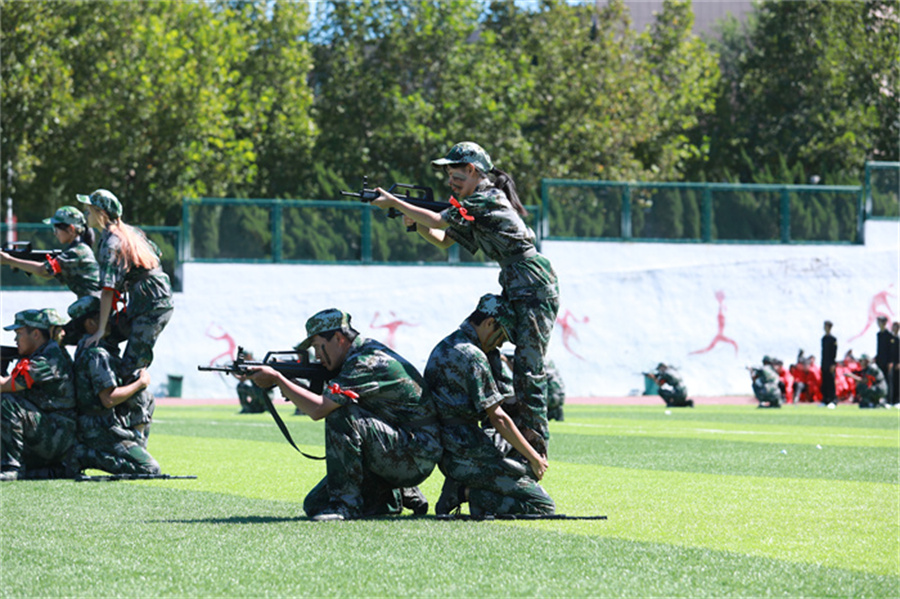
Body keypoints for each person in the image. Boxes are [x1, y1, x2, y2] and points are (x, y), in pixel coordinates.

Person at [373, 142, 559, 457]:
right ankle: (505, 418)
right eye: (448, 176)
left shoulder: (486, 199)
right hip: (517, 280)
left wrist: (396, 202)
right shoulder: (473, 205)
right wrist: (415, 222)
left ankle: (535, 445)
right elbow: (444, 240)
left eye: (456, 175)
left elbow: (438, 221)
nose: (451, 182)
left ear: (472, 170)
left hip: (532, 281)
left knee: (529, 367)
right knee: (488, 346)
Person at [246, 309, 441, 521]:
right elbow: (323, 401)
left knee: (342, 415)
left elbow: (319, 409)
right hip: (403, 445)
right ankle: (393, 495)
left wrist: (278, 379)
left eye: (317, 346)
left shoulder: (365, 361)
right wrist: (288, 382)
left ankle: (346, 506)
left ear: (338, 338)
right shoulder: (356, 357)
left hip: (416, 455)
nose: (316, 355)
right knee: (315, 504)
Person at [426, 294, 553, 517]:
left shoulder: (446, 345)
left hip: (450, 449)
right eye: (501, 335)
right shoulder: (473, 356)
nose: (501, 343)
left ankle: (470, 493)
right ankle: (463, 492)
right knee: (542, 505)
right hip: (465, 455)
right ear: (489, 323)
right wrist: (535, 459)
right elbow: (498, 417)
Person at [77, 189, 173, 385]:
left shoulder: (112, 243)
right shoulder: (129, 232)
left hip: (152, 307)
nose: (85, 215)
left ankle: (133, 402)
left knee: (131, 368)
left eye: (88, 210)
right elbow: (156, 255)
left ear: (101, 213)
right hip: (145, 301)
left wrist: (100, 329)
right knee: (109, 339)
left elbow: (107, 291)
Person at [66, 296, 160, 475]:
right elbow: (108, 399)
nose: (109, 321)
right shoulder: (97, 354)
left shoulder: (87, 347)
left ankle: (135, 449)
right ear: (90, 323)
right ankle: (85, 455)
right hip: (100, 429)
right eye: (103, 316)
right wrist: (140, 383)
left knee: (147, 398)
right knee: (150, 469)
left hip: (101, 424)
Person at [0, 310, 77, 480]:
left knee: (6, 402)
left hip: (57, 434)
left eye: (19, 333)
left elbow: (6, 385)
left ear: (35, 334)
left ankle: (12, 468)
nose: (15, 340)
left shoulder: (48, 359)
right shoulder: (42, 354)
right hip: (50, 430)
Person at [0, 206, 100, 299]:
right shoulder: (78, 249)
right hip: (93, 304)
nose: (55, 233)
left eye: (56, 228)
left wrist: (8, 260)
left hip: (94, 306)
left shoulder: (77, 252)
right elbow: (47, 274)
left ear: (71, 229)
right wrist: (17, 260)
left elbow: (42, 270)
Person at [820, 321, 838, 405]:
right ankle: (825, 400)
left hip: (830, 364)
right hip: (824, 363)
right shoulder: (823, 338)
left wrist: (833, 364)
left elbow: (834, 353)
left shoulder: (833, 339)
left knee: (831, 382)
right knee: (824, 382)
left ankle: (833, 400)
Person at [890, 322, 899, 406]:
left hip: (897, 364)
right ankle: (892, 400)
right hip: (892, 363)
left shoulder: (898, 339)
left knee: (897, 382)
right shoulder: (891, 338)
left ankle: (897, 400)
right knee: (892, 382)